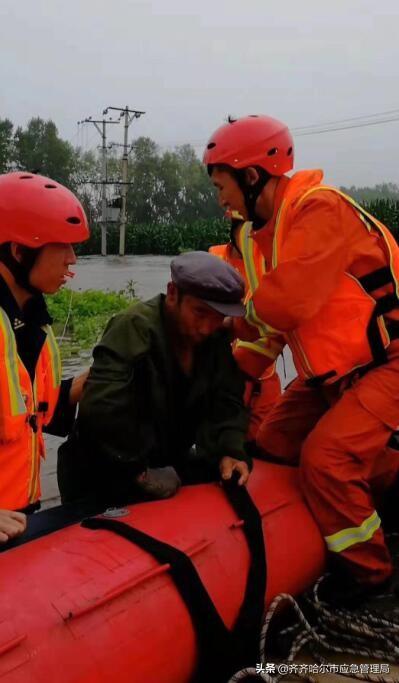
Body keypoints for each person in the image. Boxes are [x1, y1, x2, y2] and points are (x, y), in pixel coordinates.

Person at [203, 114, 399, 602]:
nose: (220, 199)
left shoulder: (320, 210)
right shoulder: (252, 237)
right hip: (332, 375)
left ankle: (374, 580)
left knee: (326, 460)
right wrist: (216, 377)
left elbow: (283, 304)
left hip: (387, 364)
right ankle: (381, 479)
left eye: (221, 185)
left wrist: (229, 320)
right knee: (271, 444)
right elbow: (265, 333)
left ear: (251, 176)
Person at [58, 251, 252, 507]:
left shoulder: (213, 340)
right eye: (200, 313)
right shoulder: (133, 327)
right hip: (102, 471)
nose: (207, 327)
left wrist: (230, 450)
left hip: (166, 462)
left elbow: (227, 401)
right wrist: (140, 470)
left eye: (217, 317)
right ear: (173, 293)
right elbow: (102, 408)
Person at [0, 171, 90, 514]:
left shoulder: (33, 320)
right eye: (61, 246)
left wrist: (84, 384)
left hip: (22, 514)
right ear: (19, 252)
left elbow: (33, 413)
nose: (72, 259)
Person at [209, 209, 281, 441]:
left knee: (267, 445)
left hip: (264, 373)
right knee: (222, 441)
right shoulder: (215, 260)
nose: (253, 234)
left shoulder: (273, 261)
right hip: (224, 373)